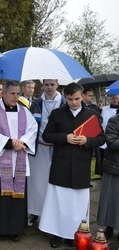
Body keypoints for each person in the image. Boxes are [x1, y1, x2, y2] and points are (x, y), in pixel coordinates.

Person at [38, 82, 105, 248]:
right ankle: (56, 234)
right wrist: (65, 138)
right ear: (65, 97)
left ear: (82, 96)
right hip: (61, 164)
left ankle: (73, 234)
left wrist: (87, 140)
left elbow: (101, 138)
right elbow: (47, 136)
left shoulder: (92, 114)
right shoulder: (57, 113)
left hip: (81, 166)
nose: (74, 102)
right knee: (58, 203)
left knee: (77, 206)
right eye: (70, 99)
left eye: (76, 98)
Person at [0, 81, 37, 241]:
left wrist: (23, 142)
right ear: (3, 94)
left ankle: (16, 230)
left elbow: (33, 129)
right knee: (0, 198)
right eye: (12, 93)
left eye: (17, 93)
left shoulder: (25, 112)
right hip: (1, 161)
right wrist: (10, 143)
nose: (15, 96)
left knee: (17, 196)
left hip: (19, 159)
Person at [27, 79, 65, 226]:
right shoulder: (36, 103)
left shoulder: (64, 102)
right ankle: (35, 212)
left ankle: (53, 215)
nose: (49, 88)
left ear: (57, 85)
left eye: (52, 84)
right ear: (43, 85)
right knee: (37, 183)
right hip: (40, 147)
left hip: (59, 147)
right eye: (47, 85)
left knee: (55, 184)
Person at [97, 110, 119, 240]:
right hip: (114, 166)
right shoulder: (114, 120)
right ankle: (109, 227)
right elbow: (111, 141)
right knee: (111, 199)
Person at [98, 94, 119, 174]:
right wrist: (99, 110)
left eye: (117, 98)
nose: (115, 100)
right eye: (113, 98)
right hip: (114, 161)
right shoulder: (106, 110)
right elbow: (112, 142)